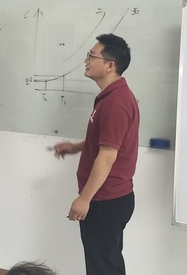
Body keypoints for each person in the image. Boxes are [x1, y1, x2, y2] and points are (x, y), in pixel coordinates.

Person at [52, 33, 139, 275]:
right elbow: (108, 141)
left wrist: (84, 199)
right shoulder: (111, 96)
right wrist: (76, 147)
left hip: (105, 200)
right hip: (109, 198)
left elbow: (108, 156)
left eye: (91, 56)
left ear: (110, 66)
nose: (86, 60)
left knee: (103, 267)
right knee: (106, 263)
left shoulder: (115, 103)